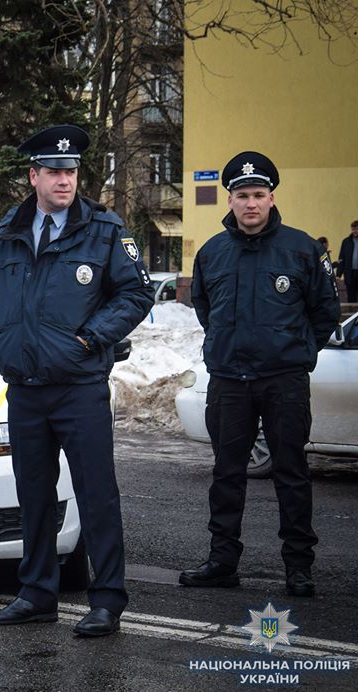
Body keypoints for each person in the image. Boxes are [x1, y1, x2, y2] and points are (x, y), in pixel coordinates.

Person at [0, 125, 153, 637]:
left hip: (79, 386)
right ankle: (36, 593)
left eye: (70, 171)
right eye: (53, 171)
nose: (64, 180)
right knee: (33, 494)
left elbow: (136, 295)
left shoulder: (106, 230)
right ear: (34, 176)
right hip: (25, 387)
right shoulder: (8, 230)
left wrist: (90, 339)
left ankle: (107, 600)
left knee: (97, 494)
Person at [179, 152, 340, 597]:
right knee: (227, 474)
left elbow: (324, 312)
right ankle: (222, 561)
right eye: (242, 195)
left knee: (291, 472)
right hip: (230, 380)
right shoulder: (212, 252)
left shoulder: (303, 248)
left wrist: (299, 353)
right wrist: (225, 349)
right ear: (229, 201)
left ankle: (298, 566)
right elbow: (205, 309)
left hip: (283, 380)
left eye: (259, 195)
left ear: (271, 199)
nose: (251, 203)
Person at [336, 220, 358, 302]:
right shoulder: (346, 242)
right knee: (351, 295)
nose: (355, 231)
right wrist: (338, 274)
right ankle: (352, 314)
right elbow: (342, 258)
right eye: (353, 229)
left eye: (357, 229)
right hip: (350, 273)